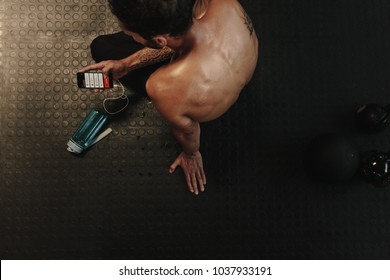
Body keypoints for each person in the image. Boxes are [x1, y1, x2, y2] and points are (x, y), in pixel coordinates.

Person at [80, 0, 259, 195]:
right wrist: (126, 64)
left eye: (130, 33)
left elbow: (189, 130)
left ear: (159, 41)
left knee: (101, 47)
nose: (127, 33)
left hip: (197, 88)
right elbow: (178, 42)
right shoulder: (222, 4)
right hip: (240, 61)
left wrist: (191, 154)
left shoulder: (165, 87)